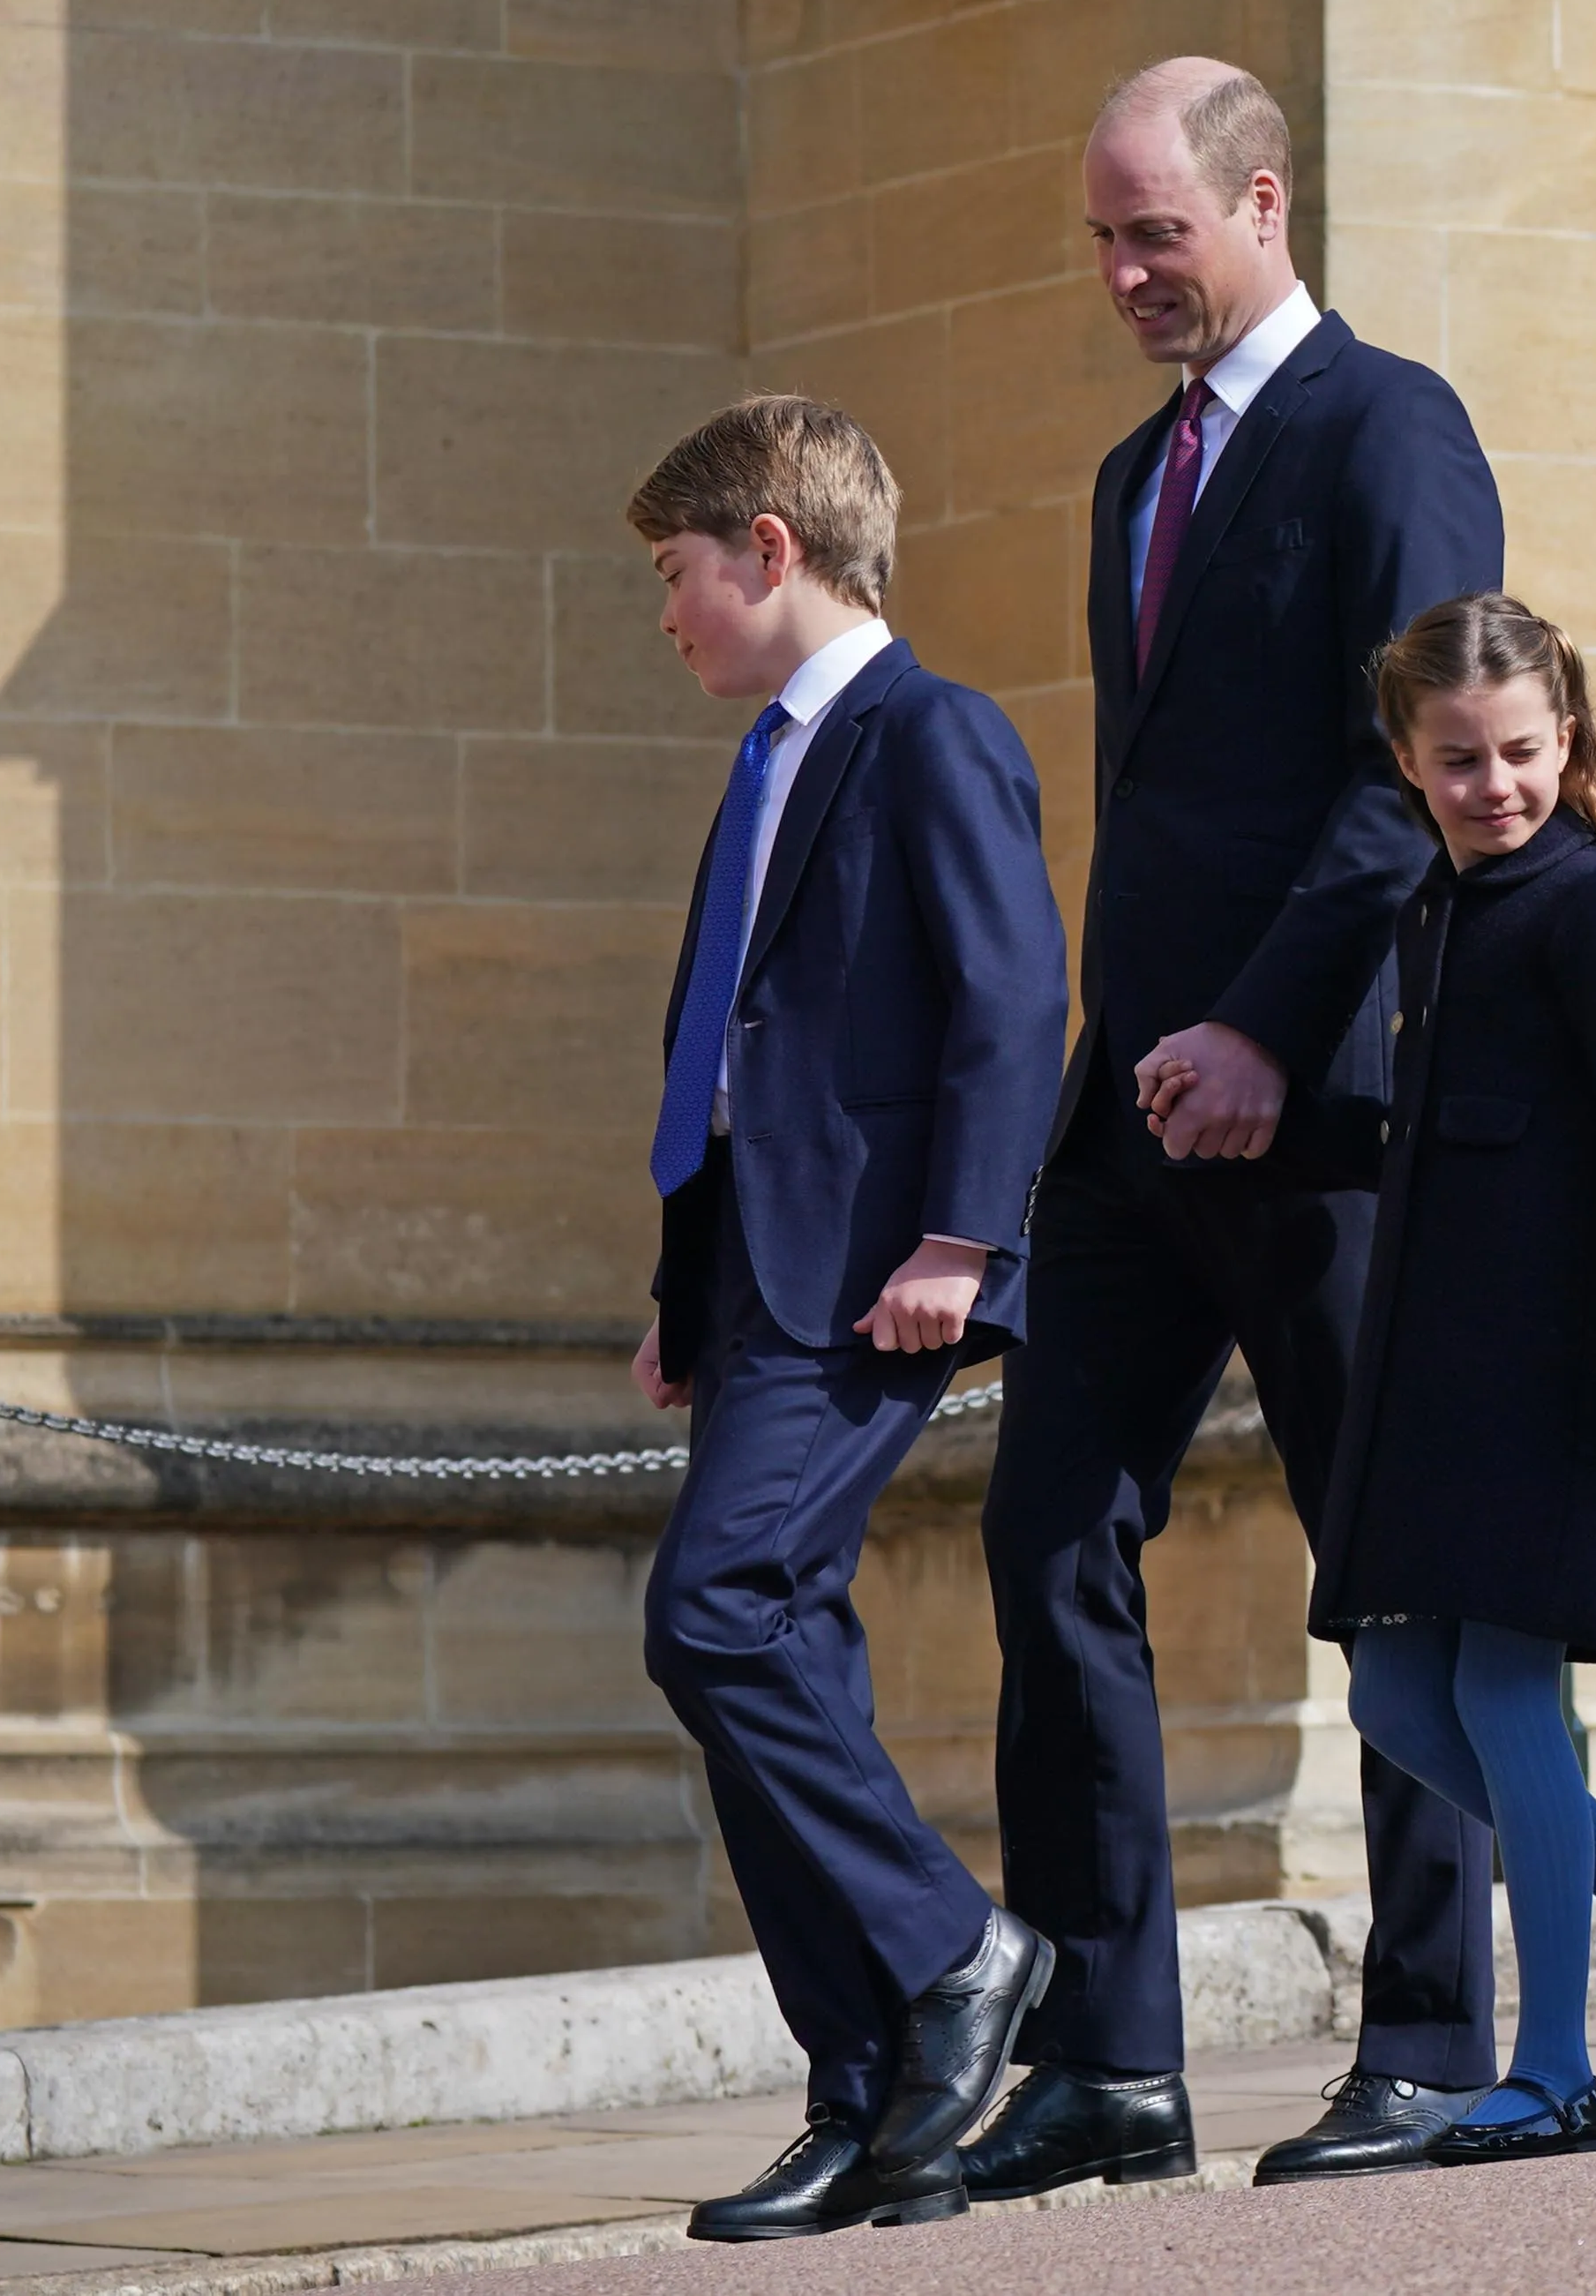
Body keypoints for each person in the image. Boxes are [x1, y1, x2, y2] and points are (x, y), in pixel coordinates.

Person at [967, 58, 1506, 2200]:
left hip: (1334, 1103)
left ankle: (1437, 2044)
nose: (1121, 274)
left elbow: (1418, 765)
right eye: (1099, 240)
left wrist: (1274, 1027)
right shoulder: (1127, 479)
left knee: (1389, 1574)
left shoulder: (1392, 428)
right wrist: (1130, 1055)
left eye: (1152, 234)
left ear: (1260, 204)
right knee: (1040, 1535)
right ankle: (1112, 2063)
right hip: (1136, 1118)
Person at [1180, 591, 1596, 2162]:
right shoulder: (1432, 906)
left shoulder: (1595, 905)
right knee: (1396, 1687)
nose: (1494, 784)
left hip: (1567, 1356)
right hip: (1441, 1358)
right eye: (1458, 760)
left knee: (1503, 1685)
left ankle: (1552, 2066)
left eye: (1519, 752)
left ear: (1565, 737)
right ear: (1408, 763)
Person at [623, 397, 1067, 2240]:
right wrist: (679, 1290)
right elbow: (734, 1042)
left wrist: (966, 1236)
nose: (668, 615)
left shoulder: (929, 732)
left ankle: (958, 1950)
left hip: (875, 1275)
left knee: (706, 1612)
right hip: (756, 1278)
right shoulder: (766, 761)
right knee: (776, 1644)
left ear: (771, 549)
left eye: (677, 574)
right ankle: (870, 2094)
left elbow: (1009, 993)